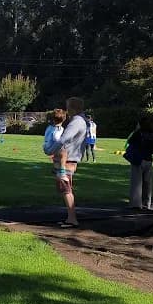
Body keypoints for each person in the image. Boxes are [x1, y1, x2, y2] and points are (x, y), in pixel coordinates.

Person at [46, 97, 89, 228]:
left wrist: (49, 150)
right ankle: (70, 218)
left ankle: (72, 219)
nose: (67, 110)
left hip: (68, 160)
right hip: (69, 158)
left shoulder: (76, 122)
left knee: (66, 189)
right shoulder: (81, 120)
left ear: (72, 108)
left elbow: (64, 139)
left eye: (68, 107)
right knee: (65, 189)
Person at [127, 116, 153, 210]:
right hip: (149, 159)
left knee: (136, 182)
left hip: (138, 159)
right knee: (147, 183)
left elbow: (130, 141)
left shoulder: (138, 134)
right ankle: (146, 203)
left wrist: (136, 130)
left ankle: (136, 204)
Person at [42, 109, 69, 183]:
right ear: (64, 119)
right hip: (50, 148)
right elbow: (57, 139)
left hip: (45, 147)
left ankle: (55, 167)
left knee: (59, 153)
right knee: (64, 153)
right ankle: (62, 173)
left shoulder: (49, 127)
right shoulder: (59, 129)